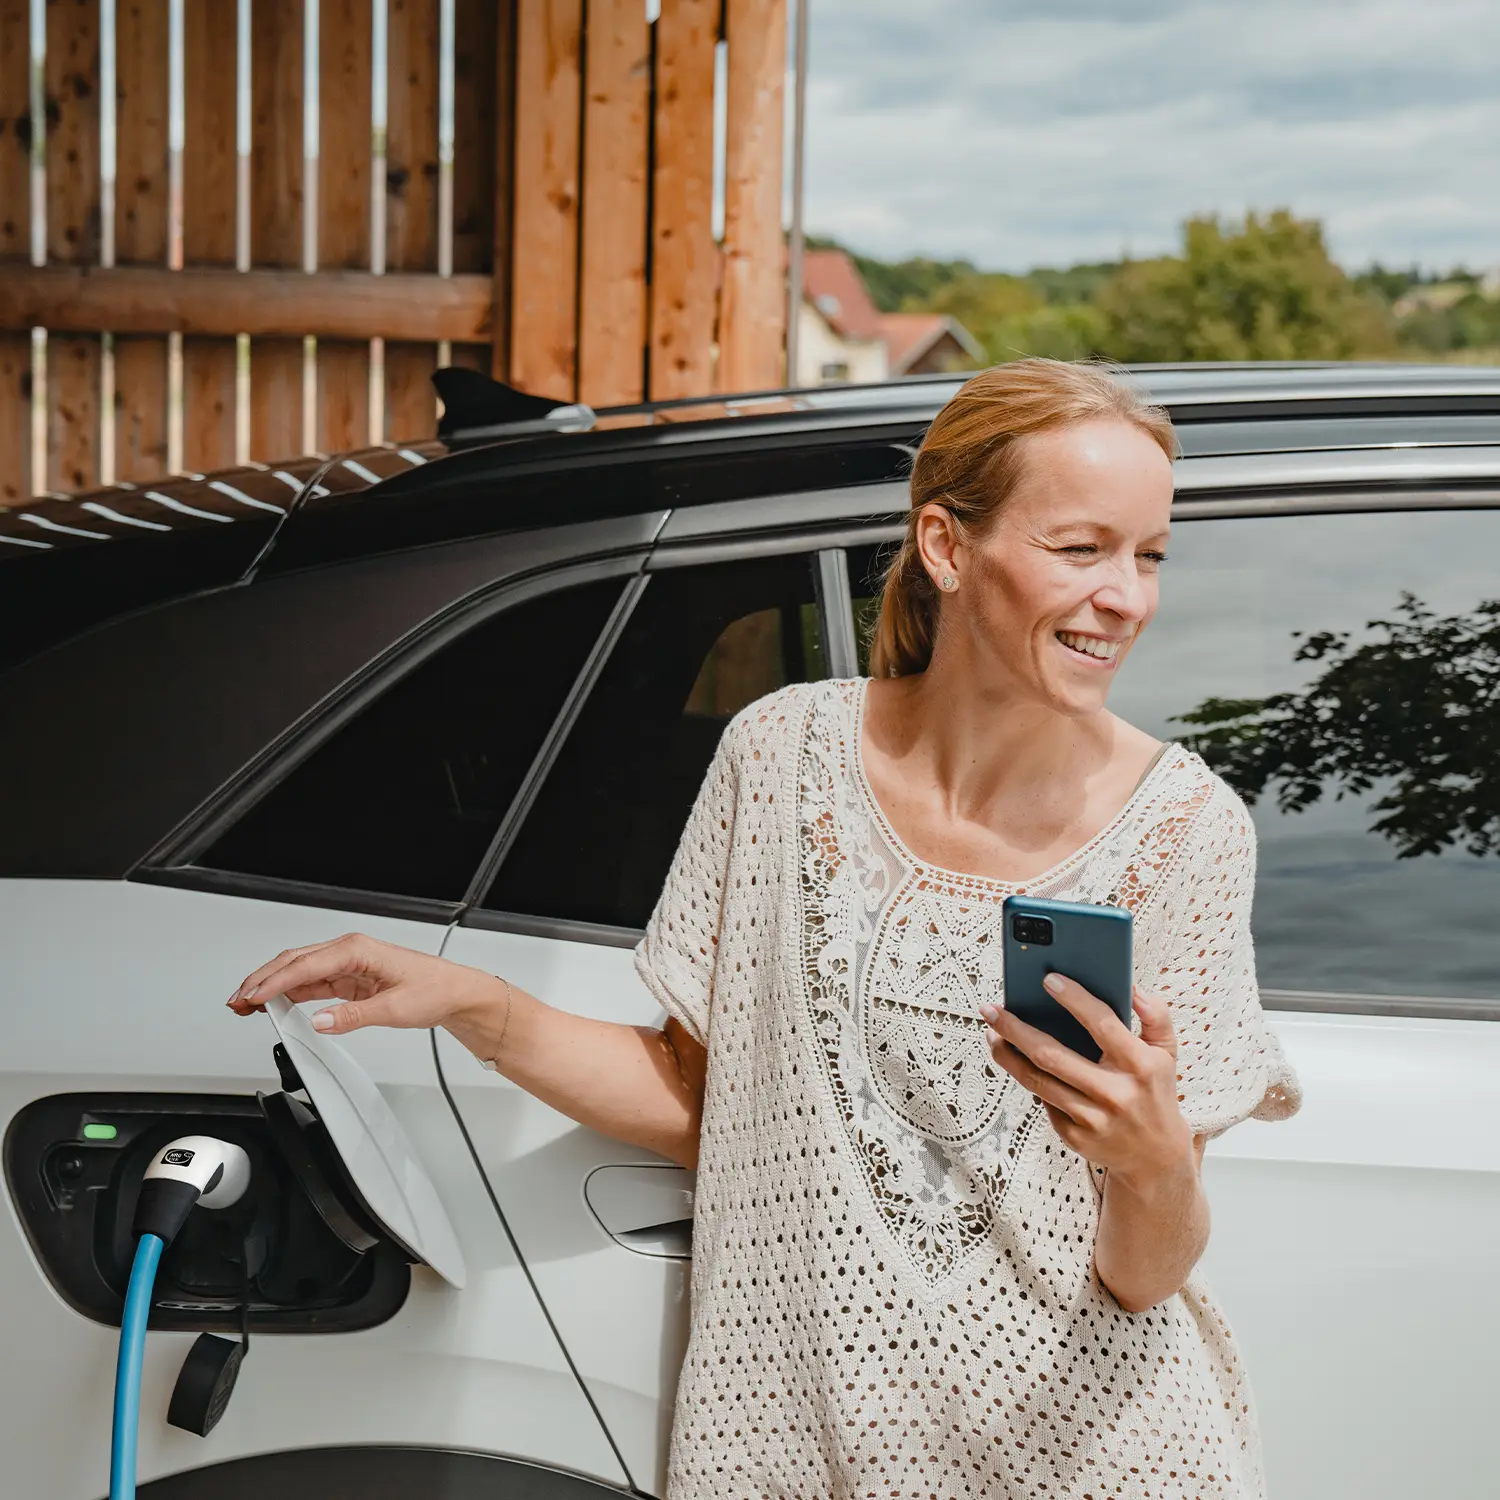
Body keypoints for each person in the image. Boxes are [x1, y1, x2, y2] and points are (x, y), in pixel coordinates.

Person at [229, 359, 1302, 1499]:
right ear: (945, 546)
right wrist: (470, 1001)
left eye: (1149, 556)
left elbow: (1145, 1276)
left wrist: (1148, 1161)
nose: (1127, 597)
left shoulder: (1186, 830)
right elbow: (714, 1104)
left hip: (1093, 1461)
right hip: (794, 1452)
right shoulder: (782, 757)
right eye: (1082, 549)